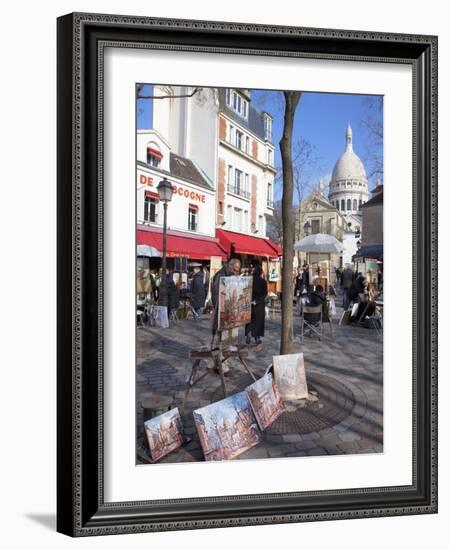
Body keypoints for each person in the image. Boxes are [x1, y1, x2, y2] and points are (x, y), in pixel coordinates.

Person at [211, 258, 241, 336]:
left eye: (237, 271)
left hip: (229, 309)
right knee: (222, 333)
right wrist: (219, 309)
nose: (235, 272)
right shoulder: (220, 275)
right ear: (230, 266)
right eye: (234, 270)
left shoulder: (229, 275)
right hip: (222, 310)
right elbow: (215, 294)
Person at [245, 265, 268, 345]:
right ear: (261, 273)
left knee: (249, 320)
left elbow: (245, 291)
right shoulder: (263, 281)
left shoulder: (249, 280)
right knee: (258, 321)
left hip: (249, 303)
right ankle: (257, 338)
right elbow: (264, 293)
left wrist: (250, 300)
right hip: (259, 304)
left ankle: (248, 333)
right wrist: (257, 301)